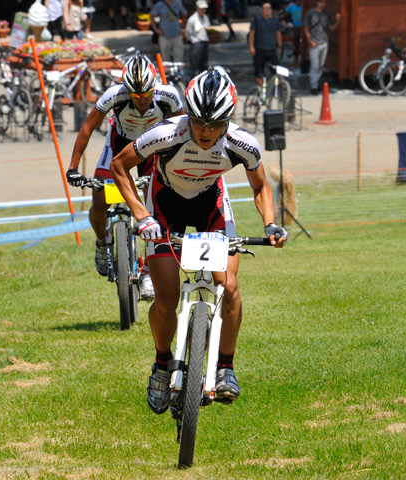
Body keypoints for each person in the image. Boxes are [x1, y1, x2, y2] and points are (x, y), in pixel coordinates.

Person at [109, 68, 288, 412]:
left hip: (211, 204)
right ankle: (162, 365)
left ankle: (225, 368)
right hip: (165, 206)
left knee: (229, 286)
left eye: (216, 124)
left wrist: (270, 224)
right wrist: (141, 216)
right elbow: (119, 166)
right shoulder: (164, 134)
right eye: (199, 122)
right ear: (187, 116)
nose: (206, 132)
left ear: (228, 120)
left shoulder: (242, 144)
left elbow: (261, 186)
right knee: (166, 298)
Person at [65, 55, 184, 299]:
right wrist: (73, 168)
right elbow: (88, 127)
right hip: (118, 147)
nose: (141, 101)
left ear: (154, 87)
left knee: (157, 211)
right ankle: (101, 242)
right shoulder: (114, 94)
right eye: (135, 95)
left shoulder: (168, 95)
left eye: (146, 95)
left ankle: (148, 271)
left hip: (151, 150)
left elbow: (182, 129)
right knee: (99, 201)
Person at [304, 0, 341, 95]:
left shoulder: (326, 14)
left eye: (324, 2)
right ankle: (313, 86)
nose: (323, 3)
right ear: (316, 2)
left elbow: (331, 28)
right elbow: (306, 28)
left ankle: (317, 83)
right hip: (315, 43)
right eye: (321, 1)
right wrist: (311, 41)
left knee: (321, 65)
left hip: (324, 42)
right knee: (314, 65)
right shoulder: (310, 13)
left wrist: (338, 21)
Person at [249, 3, 282, 86]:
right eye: (266, 8)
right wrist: (251, 47)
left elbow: (278, 34)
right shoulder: (256, 20)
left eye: (269, 8)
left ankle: (276, 89)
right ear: (262, 10)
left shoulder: (275, 21)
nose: (268, 10)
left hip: (271, 49)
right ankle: (262, 90)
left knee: (277, 71)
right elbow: (252, 34)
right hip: (259, 49)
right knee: (259, 72)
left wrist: (279, 46)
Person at [185, 0, 211, 79]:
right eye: (201, 8)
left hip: (204, 43)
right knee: (194, 66)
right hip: (196, 43)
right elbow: (188, 32)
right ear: (197, 8)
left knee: (204, 65)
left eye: (204, 9)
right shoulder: (192, 19)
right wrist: (192, 40)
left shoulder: (205, 17)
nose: (203, 10)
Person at [279, 0, 302, 66]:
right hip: (295, 27)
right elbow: (285, 14)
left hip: (302, 28)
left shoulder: (304, 7)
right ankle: (295, 60)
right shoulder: (292, 6)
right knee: (295, 44)